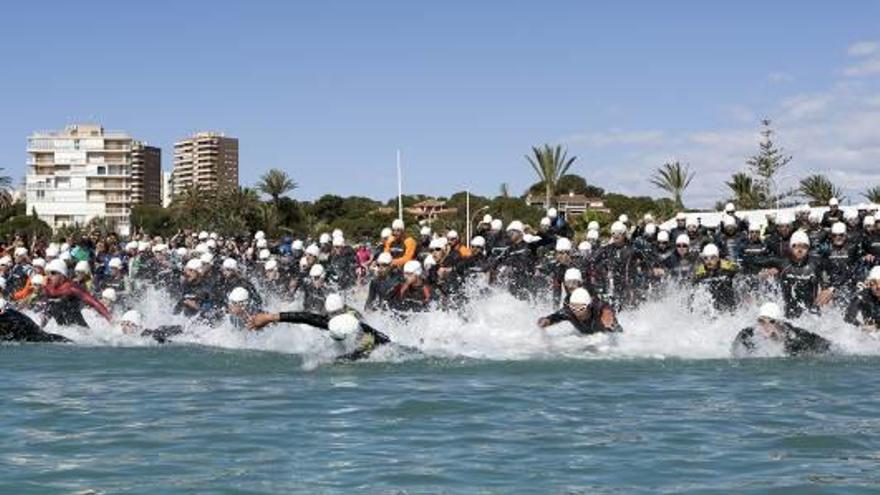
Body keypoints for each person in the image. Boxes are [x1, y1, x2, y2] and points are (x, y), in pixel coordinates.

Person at [247, 293, 391, 361]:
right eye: (330, 314)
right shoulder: (333, 321)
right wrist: (270, 317)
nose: (331, 317)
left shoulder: (357, 326)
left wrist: (334, 361)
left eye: (335, 314)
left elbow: (363, 351)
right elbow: (307, 317)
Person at [731, 302, 831, 357]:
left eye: (771, 321)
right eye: (761, 321)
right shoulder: (747, 334)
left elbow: (827, 346)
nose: (765, 326)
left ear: (780, 323)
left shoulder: (796, 338)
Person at [41, 259, 112, 328]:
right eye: (48, 273)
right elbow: (48, 309)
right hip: (63, 330)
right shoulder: (48, 288)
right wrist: (41, 327)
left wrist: (111, 320)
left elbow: (94, 303)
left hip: (80, 331)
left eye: (53, 273)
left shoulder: (72, 288)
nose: (49, 276)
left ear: (62, 275)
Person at [537, 287, 622, 335]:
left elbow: (608, 306)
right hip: (588, 338)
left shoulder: (597, 307)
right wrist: (545, 321)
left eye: (581, 308)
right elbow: (554, 317)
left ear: (588, 306)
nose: (577, 311)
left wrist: (608, 315)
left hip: (611, 336)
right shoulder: (569, 312)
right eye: (574, 308)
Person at [0, 297, 70, 342]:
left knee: (45, 337)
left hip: (33, 335)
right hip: (30, 333)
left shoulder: (9, 316)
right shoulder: (10, 313)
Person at [844, 267, 880, 331]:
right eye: (874, 282)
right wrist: (861, 326)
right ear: (869, 284)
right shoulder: (863, 296)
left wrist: (877, 326)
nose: (878, 287)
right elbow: (848, 317)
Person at [118, 310, 183, 344]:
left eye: (127, 324)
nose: (123, 328)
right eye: (122, 324)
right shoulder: (125, 337)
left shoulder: (147, 334)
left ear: (136, 326)